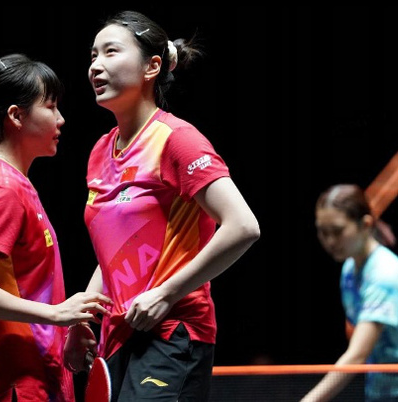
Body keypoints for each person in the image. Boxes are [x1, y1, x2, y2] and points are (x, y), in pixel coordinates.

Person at [65, 10, 261, 401]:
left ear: (152, 67)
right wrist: (83, 319)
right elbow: (114, 251)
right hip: (117, 336)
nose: (96, 66)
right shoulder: (100, 151)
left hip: (173, 330)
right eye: (93, 56)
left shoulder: (176, 140)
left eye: (111, 52)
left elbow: (243, 226)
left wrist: (166, 293)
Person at [0, 53, 112, 402]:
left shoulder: (16, 184)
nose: (61, 119)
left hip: (35, 379)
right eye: (51, 106)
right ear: (16, 116)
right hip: (10, 388)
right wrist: (57, 314)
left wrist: (67, 326)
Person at [301, 184, 398, 402]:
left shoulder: (384, 274)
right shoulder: (350, 270)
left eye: (338, 231)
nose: (330, 241)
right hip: (382, 389)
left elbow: (357, 355)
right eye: (323, 232)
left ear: (365, 224)